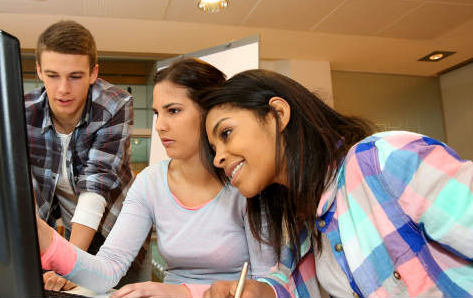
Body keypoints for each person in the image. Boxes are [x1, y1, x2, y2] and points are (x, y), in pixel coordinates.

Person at [201, 69, 473, 297]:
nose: (218, 159)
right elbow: (291, 280)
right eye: (214, 149)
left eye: (226, 133)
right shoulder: (306, 217)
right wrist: (259, 291)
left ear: (277, 114)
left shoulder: (382, 158)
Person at [36, 58, 288, 298]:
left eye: (174, 111)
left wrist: (185, 293)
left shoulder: (246, 179)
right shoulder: (150, 182)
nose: (160, 126)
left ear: (210, 112)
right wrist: (51, 244)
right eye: (158, 113)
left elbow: (265, 283)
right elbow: (109, 267)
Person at [25, 20, 144, 291]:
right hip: (69, 234)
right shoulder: (24, 112)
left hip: (117, 236)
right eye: (53, 75)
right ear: (39, 71)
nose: (63, 89)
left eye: (75, 76)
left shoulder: (115, 104)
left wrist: (71, 264)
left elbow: (95, 184)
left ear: (93, 73)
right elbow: (25, 188)